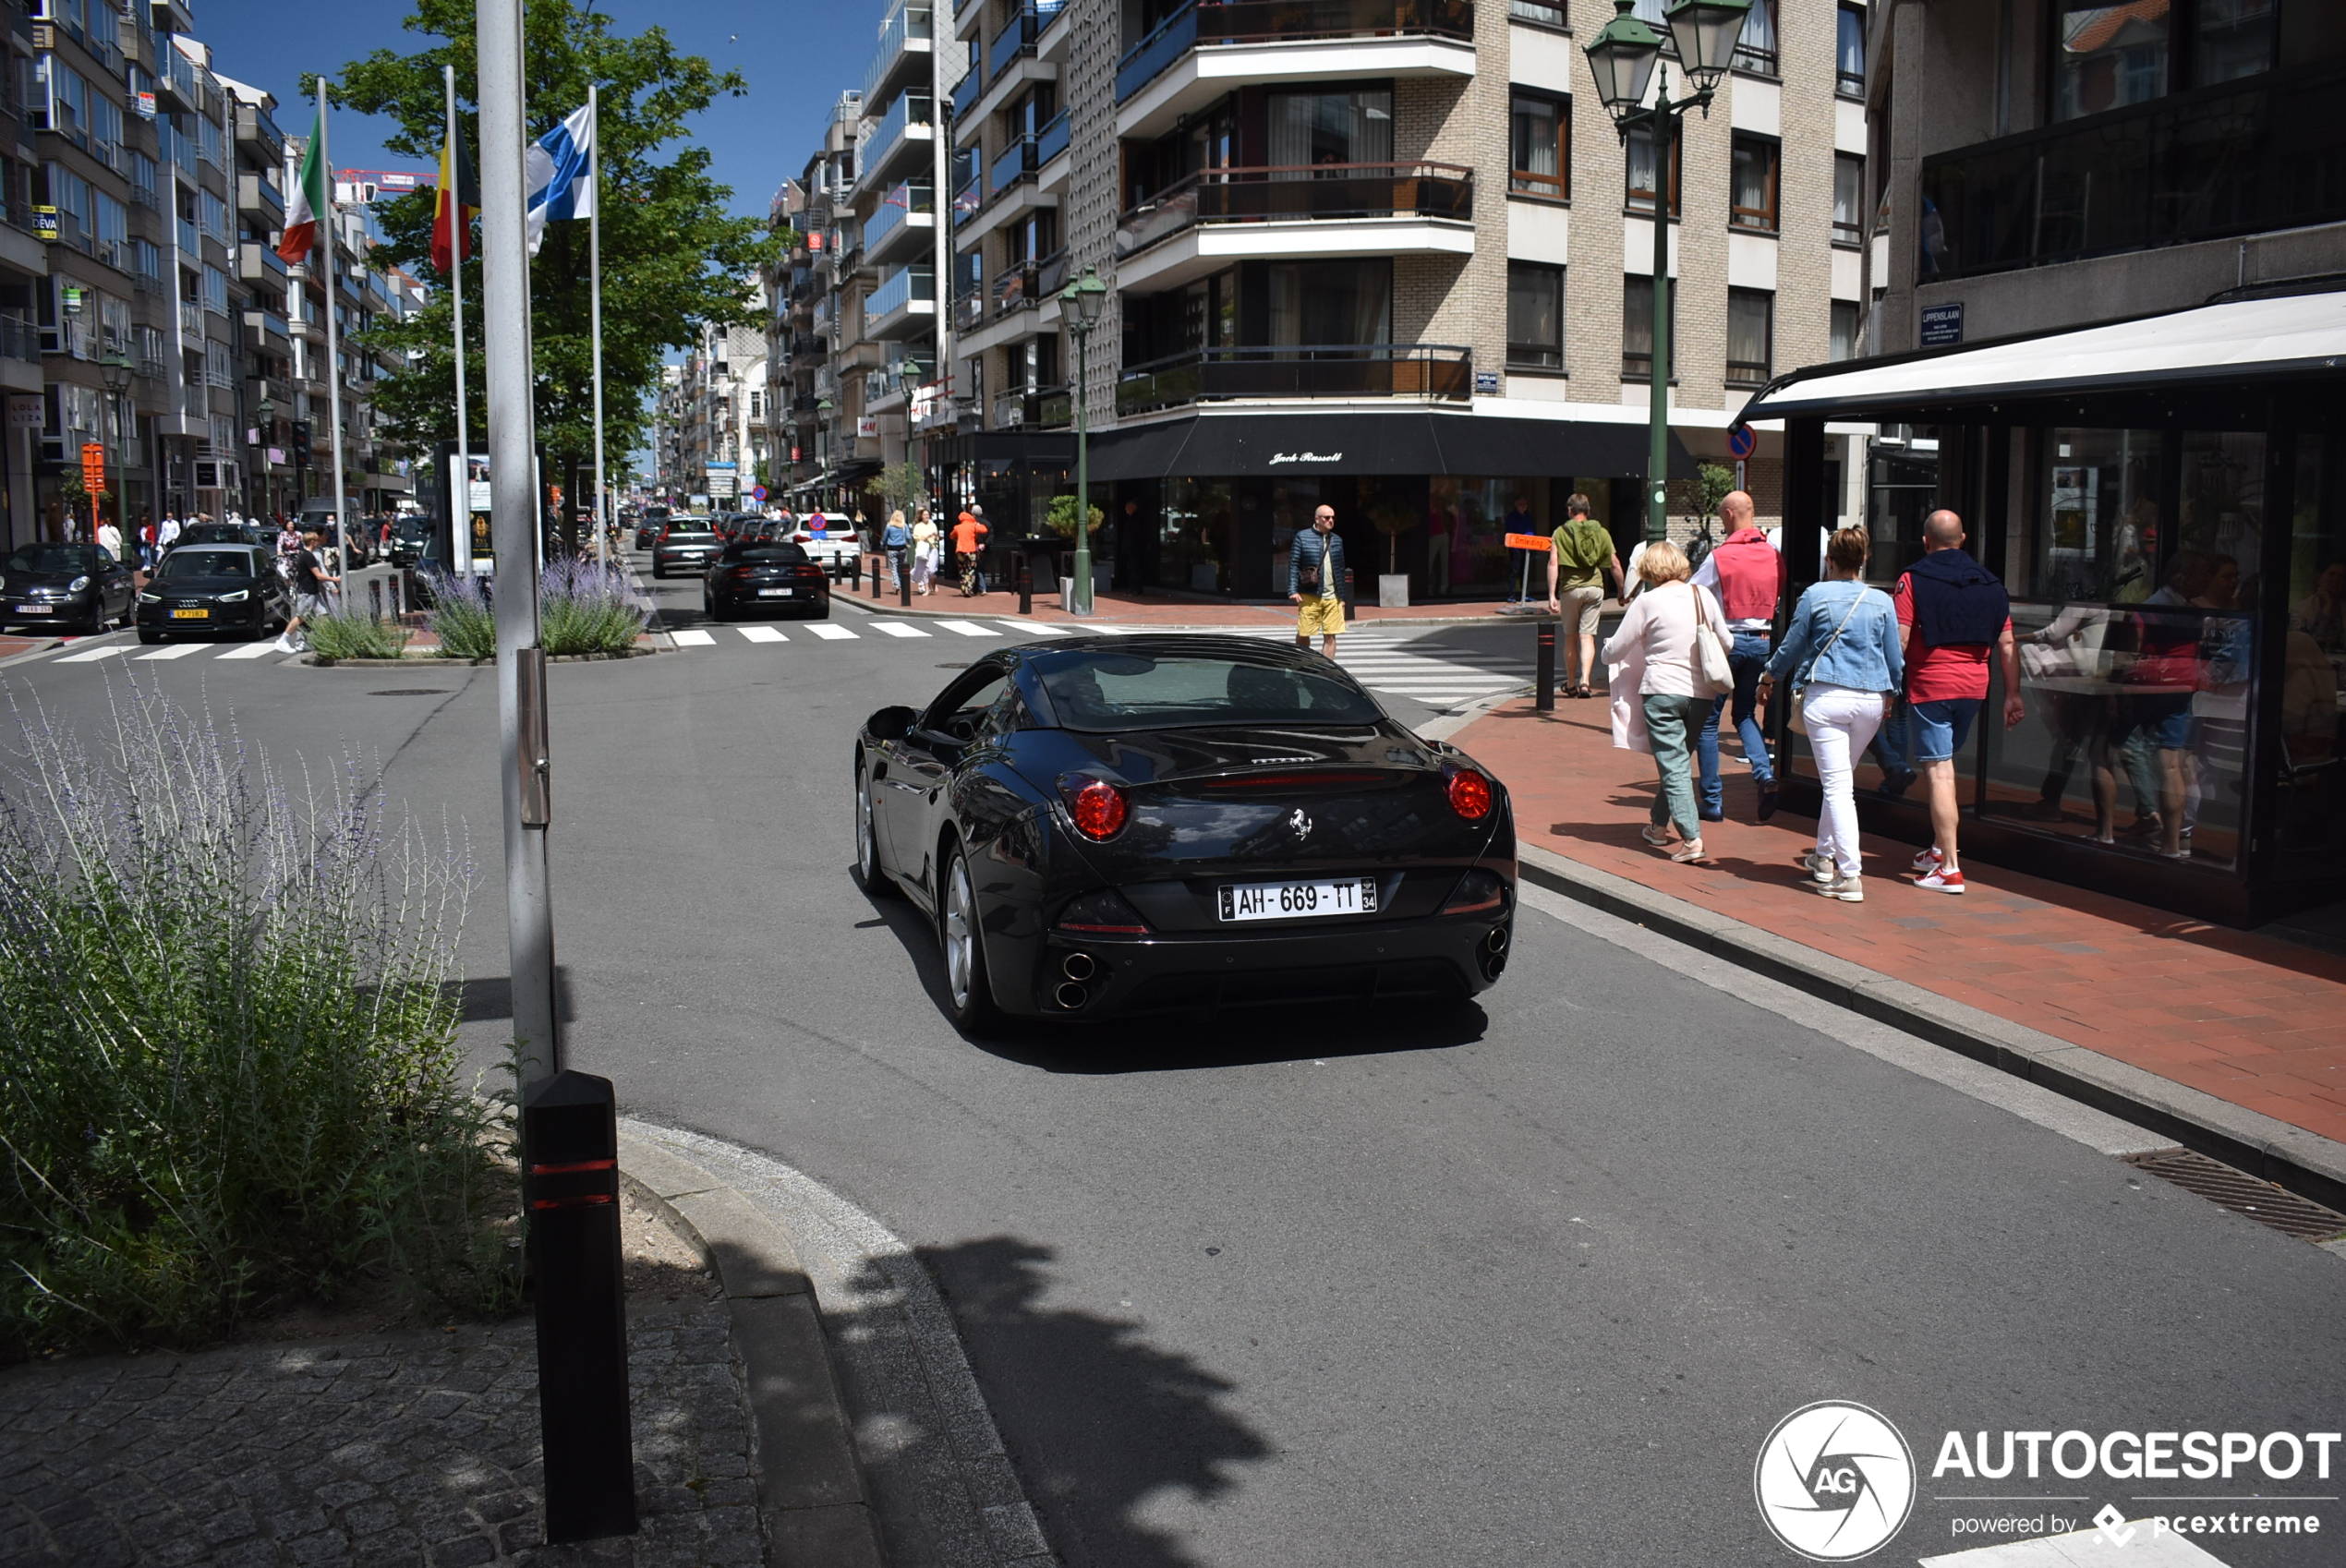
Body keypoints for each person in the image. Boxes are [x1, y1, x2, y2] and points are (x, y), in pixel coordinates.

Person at [1759, 527, 1904, 901]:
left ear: (1830, 559)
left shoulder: (1815, 595)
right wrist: (1893, 693)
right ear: (1864, 559)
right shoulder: (1881, 601)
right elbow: (1894, 658)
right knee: (1838, 781)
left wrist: (1770, 675)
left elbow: (1792, 645)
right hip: (1871, 700)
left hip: (1826, 697)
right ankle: (1823, 857)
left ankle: (1850, 874)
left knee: (1838, 786)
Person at [1895, 509, 2023, 894]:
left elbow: (1900, 640)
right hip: (1974, 688)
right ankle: (1938, 848)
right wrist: (2013, 694)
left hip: (1931, 686)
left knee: (1939, 774)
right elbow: (2006, 643)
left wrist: (1887, 685)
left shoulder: (1912, 579)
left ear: (1925, 541)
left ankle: (1949, 868)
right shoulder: (1991, 584)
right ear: (1963, 539)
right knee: (1947, 769)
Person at [1601, 540, 1726, 864]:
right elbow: (1727, 641)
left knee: (1673, 765)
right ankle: (1657, 826)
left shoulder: (1648, 602)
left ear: (1649, 570)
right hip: (1702, 693)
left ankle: (1692, 838)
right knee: (1678, 762)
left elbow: (1615, 650)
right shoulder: (1703, 596)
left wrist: (1604, 650)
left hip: (1662, 691)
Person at [1690, 491, 1788, 822]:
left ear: (1730, 515)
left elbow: (1694, 593)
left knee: (1708, 721)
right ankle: (1764, 774)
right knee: (1745, 714)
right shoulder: (1774, 554)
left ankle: (1713, 801)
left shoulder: (1720, 556)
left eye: (1721, 518)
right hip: (1761, 642)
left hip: (1727, 643)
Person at [1544, 491, 1620, 699]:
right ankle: (1585, 681)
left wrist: (1552, 594)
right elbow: (1614, 564)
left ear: (1570, 511)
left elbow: (1553, 563)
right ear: (1588, 511)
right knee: (1587, 637)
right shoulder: (1601, 532)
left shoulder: (1560, 532)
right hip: (1595, 588)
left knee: (1571, 638)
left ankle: (1570, 683)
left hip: (1571, 589)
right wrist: (1621, 590)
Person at [1288, 502, 1349, 656]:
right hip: (1310, 594)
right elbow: (1294, 564)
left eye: (1333, 518)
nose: (1331, 521)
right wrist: (1292, 590)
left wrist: (1342, 596)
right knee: (1304, 632)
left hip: (1332, 596)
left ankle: (1326, 670)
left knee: (1331, 635)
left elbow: (1340, 569)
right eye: (1327, 517)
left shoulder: (1337, 540)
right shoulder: (1302, 537)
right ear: (1317, 519)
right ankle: (1302, 664)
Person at [275, 527, 340, 653]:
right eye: (316, 541)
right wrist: (335, 580)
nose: (318, 543)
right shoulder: (308, 556)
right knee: (301, 617)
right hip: (307, 591)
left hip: (313, 591)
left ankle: (326, 641)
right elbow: (319, 575)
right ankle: (283, 640)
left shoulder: (305, 555)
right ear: (312, 542)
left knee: (323, 615)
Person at [1503, 491, 1539, 607]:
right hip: (1516, 548)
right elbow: (1510, 532)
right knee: (1514, 571)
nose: (1523, 506)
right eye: (1521, 504)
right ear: (1516, 505)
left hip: (1528, 548)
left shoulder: (1528, 516)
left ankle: (1525, 594)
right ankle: (1511, 594)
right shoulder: (1512, 517)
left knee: (1526, 571)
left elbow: (1531, 530)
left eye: (1525, 504)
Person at [951, 503, 990, 596]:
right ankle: (969, 588)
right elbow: (984, 530)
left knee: (962, 570)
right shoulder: (973, 525)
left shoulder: (958, 527)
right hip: (971, 550)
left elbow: (951, 536)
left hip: (960, 551)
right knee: (971, 570)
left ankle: (964, 588)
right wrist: (977, 524)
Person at [911, 508, 941, 594]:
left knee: (932, 570)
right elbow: (917, 538)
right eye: (924, 515)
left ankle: (933, 584)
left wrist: (937, 536)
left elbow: (937, 537)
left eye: (927, 514)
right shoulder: (918, 526)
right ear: (921, 516)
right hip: (923, 549)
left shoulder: (933, 525)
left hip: (932, 548)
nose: (926, 516)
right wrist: (928, 536)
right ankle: (927, 589)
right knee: (925, 570)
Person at [881, 509, 912, 590]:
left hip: (892, 548)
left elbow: (885, 538)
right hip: (902, 548)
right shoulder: (904, 526)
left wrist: (883, 544)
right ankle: (901, 584)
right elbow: (909, 537)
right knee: (900, 567)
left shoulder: (889, 526)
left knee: (894, 567)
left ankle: (896, 585)